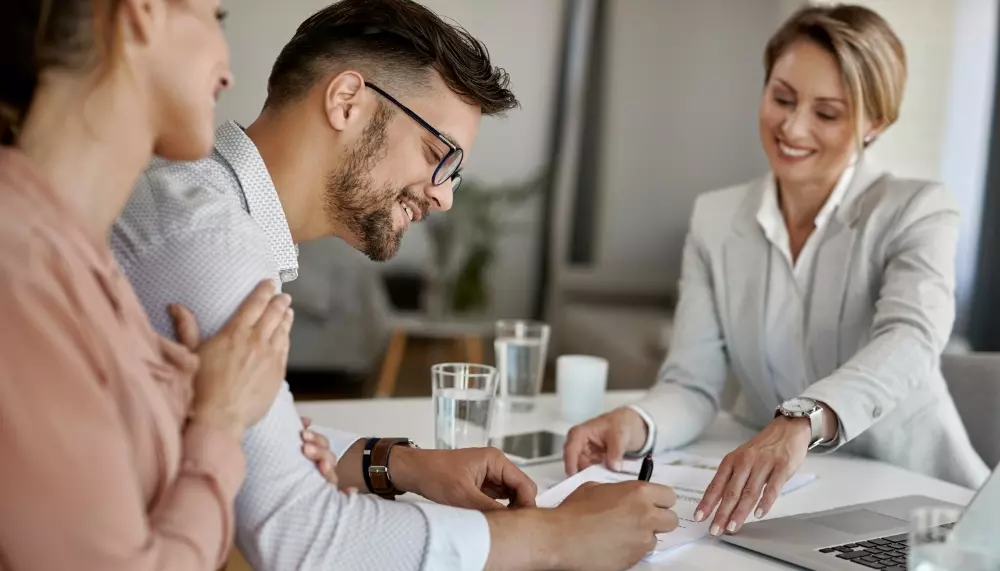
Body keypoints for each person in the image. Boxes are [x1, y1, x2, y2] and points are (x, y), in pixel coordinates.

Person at [110, 0, 679, 570]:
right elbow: (301, 536)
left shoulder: (211, 207)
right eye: (439, 155)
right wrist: (556, 538)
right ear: (346, 101)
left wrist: (395, 463)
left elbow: (262, 444)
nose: (444, 196)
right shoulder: (213, 245)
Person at [564, 2, 990, 540]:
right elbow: (693, 385)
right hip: (780, 504)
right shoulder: (715, 219)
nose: (792, 127)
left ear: (874, 123)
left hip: (918, 505)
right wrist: (636, 422)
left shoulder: (917, 209)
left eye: (827, 113)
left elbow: (911, 337)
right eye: (781, 98)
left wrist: (801, 419)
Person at [0, 0, 295, 569]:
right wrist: (221, 423)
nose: (230, 71)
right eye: (217, 16)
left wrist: (184, 398)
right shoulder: (23, 273)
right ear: (143, 11)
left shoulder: (79, 258)